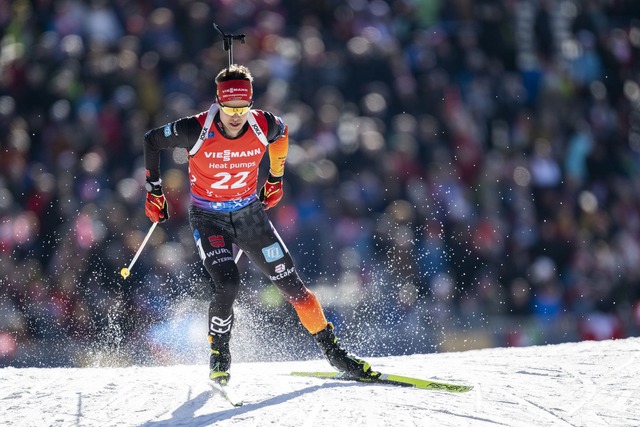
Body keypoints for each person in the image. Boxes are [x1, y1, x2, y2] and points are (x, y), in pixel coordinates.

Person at [142, 64, 374, 385]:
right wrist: (154, 190)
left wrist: (275, 177)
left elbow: (282, 135)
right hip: (210, 219)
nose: (236, 116)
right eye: (229, 108)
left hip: (249, 215)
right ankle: (220, 357)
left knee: (295, 289)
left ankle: (335, 353)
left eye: (242, 108)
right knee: (228, 284)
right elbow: (152, 141)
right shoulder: (194, 129)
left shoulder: (263, 123)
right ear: (218, 103)